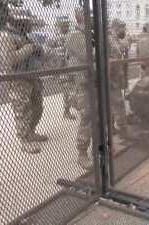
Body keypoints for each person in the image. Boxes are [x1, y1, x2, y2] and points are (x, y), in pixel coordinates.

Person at [0, 7, 48, 154]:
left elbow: (40, 55)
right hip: (18, 80)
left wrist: (38, 49)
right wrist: (30, 48)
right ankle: (24, 140)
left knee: (38, 107)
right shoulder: (5, 35)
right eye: (26, 22)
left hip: (32, 77)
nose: (29, 25)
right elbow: (9, 60)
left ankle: (31, 131)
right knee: (22, 111)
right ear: (18, 22)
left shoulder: (25, 35)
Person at [65, 8, 92, 169]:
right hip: (84, 85)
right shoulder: (75, 36)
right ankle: (82, 153)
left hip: (94, 83)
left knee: (98, 118)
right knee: (87, 118)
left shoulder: (90, 35)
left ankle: (99, 149)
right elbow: (90, 55)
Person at [109, 18, 132, 137]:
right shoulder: (110, 39)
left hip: (115, 76)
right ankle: (123, 129)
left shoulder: (116, 39)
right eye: (123, 28)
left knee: (113, 104)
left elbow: (124, 47)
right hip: (111, 78)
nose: (124, 30)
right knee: (118, 103)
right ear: (116, 28)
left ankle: (113, 128)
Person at [55, 18, 77, 120]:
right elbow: (61, 57)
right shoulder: (62, 38)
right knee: (68, 91)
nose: (66, 27)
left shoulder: (67, 37)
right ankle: (66, 111)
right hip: (65, 69)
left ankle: (69, 109)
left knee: (71, 90)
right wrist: (59, 72)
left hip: (69, 68)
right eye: (65, 25)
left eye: (67, 25)